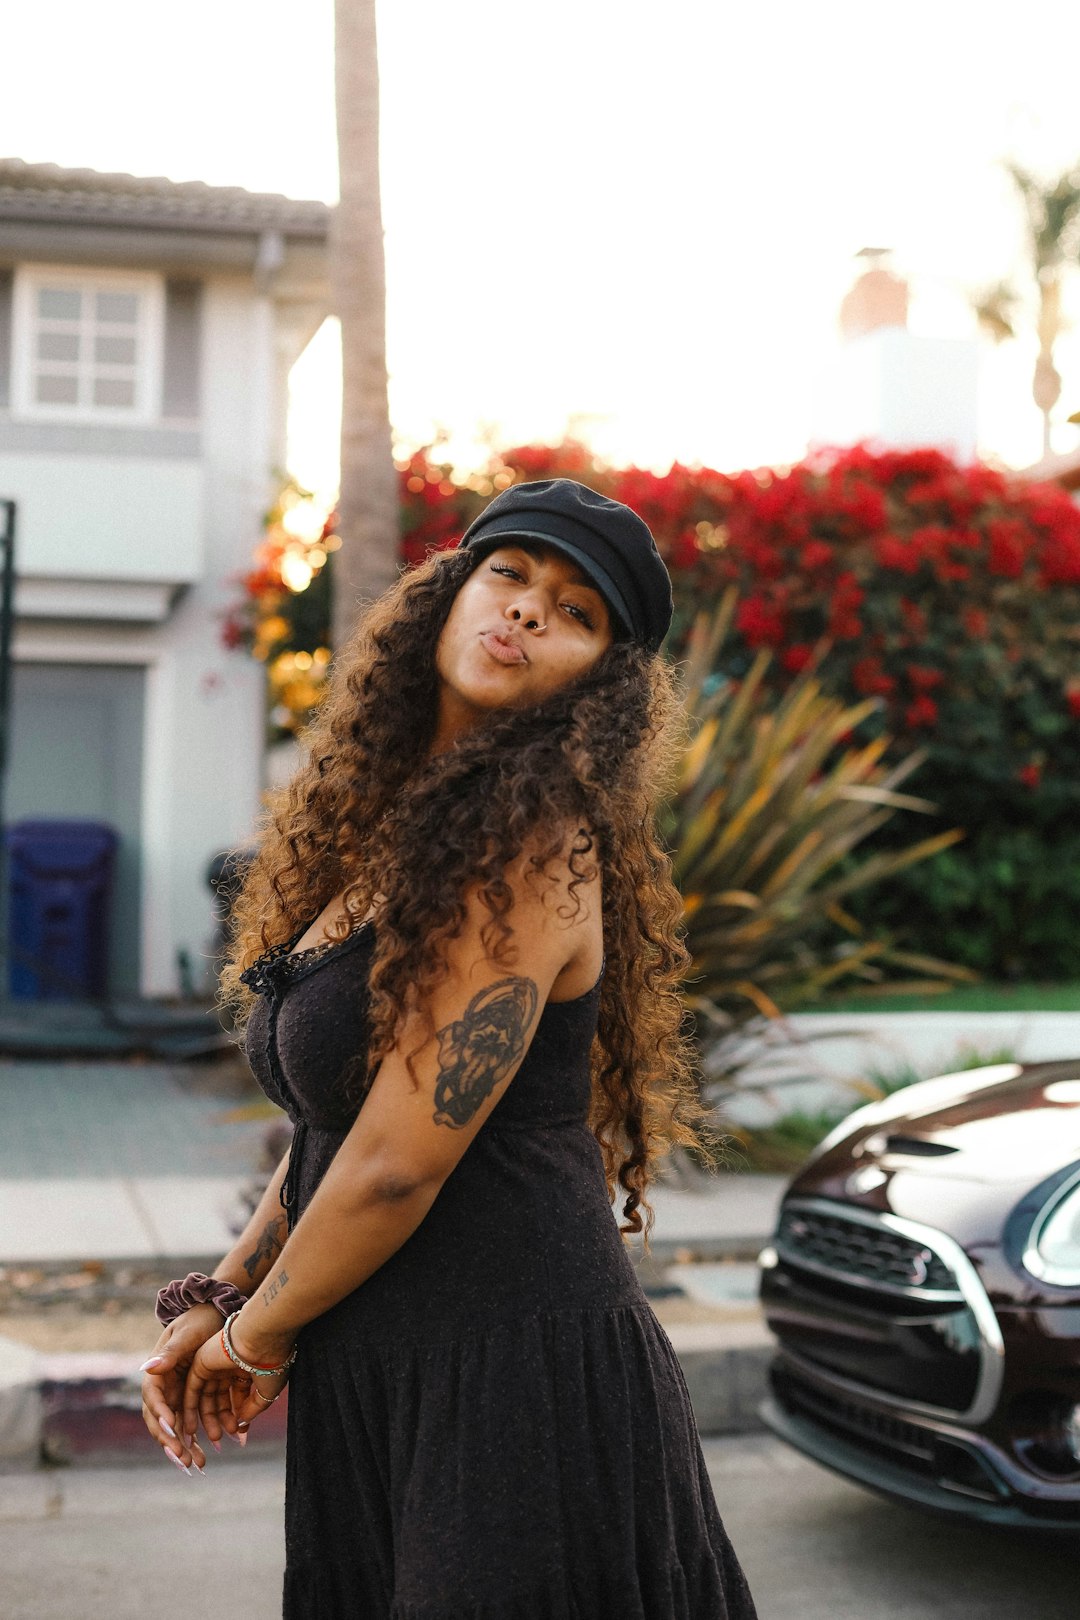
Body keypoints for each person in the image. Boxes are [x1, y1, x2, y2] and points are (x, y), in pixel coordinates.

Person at [139, 478, 758, 1619]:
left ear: (601, 683)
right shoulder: (380, 830)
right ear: (450, 590)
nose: (527, 612)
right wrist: (223, 1298)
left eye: (575, 612)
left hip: (512, 1380)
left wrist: (258, 1341)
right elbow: (337, 1135)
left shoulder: (530, 846)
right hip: (384, 1356)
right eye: (509, 574)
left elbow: (396, 1164)